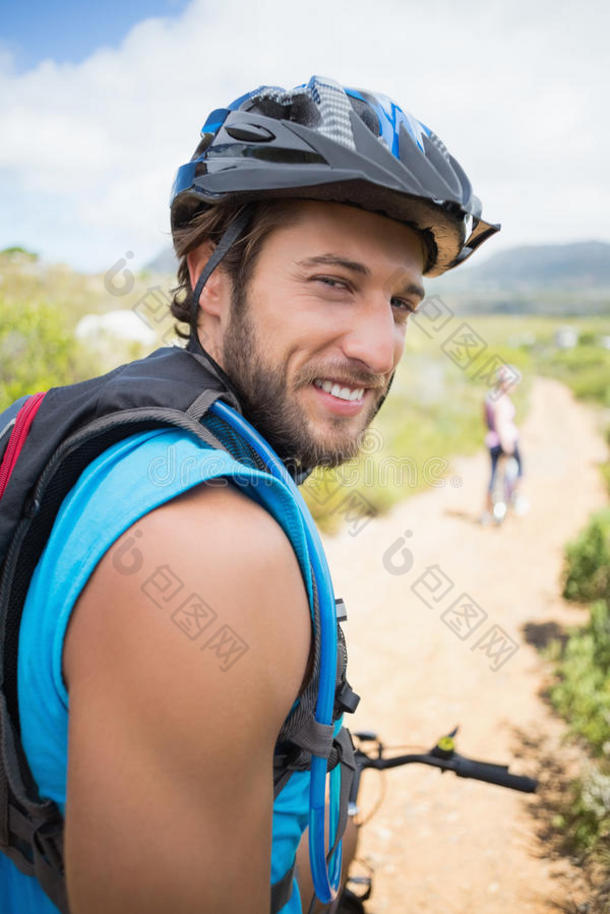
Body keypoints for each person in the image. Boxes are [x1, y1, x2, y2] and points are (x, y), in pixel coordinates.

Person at [0, 76, 498, 913]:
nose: (379, 347)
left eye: (402, 303)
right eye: (334, 283)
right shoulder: (208, 551)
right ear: (211, 279)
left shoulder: (98, 423)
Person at [481, 363, 526, 523]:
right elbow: (500, 423)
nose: (515, 387)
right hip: (505, 441)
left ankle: (487, 512)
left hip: (492, 441)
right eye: (513, 383)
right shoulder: (501, 400)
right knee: (519, 470)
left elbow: (485, 419)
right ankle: (514, 498)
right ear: (505, 382)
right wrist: (506, 443)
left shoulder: (490, 396)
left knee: (493, 476)